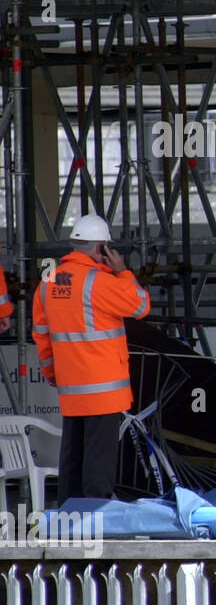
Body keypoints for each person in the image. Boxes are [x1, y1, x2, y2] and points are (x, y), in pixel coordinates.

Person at [32, 214, 150, 504]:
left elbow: (42, 335)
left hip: (72, 390)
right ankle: (95, 523)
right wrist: (122, 271)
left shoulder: (47, 282)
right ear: (101, 249)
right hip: (104, 392)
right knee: (99, 461)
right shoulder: (102, 283)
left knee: (72, 458)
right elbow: (141, 305)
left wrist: (52, 374)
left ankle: (68, 519)